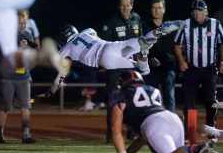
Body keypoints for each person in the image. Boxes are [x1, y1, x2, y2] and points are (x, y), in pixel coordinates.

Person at [39, 21, 184, 99]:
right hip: (111, 46)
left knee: (142, 71)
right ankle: (147, 46)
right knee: (144, 53)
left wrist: (50, 92)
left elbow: (60, 77)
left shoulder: (66, 50)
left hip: (104, 59)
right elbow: (94, 36)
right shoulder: (87, 31)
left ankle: (144, 54)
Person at [105, 70, 221, 153]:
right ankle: (202, 152)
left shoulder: (120, 94)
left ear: (121, 83)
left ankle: (199, 148)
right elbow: (144, 136)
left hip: (154, 123)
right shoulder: (152, 89)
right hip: (172, 118)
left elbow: (116, 130)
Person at [174, 0, 223, 139]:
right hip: (192, 69)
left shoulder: (215, 24)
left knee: (210, 101)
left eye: (200, 11)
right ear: (191, 12)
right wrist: (181, 61)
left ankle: (211, 130)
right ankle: (189, 133)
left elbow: (222, 44)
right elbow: (176, 44)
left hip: (209, 68)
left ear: (206, 12)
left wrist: (222, 61)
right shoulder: (185, 25)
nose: (197, 14)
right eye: (194, 11)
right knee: (188, 102)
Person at [101, 0, 143, 142]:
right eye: (122, 5)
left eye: (128, 5)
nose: (125, 8)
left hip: (132, 67)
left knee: (133, 99)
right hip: (115, 68)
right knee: (113, 100)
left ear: (132, 5)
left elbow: (141, 43)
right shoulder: (111, 23)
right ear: (119, 6)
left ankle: (132, 131)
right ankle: (111, 133)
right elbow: (104, 46)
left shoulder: (137, 19)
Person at [0, 16, 36, 144]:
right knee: (5, 107)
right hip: (8, 77)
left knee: (25, 106)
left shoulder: (28, 34)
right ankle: (0, 135)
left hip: (23, 76)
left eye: (24, 23)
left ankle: (26, 134)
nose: (23, 25)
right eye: (20, 22)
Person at [142, 0, 176, 112]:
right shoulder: (144, 26)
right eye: (154, 8)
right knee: (151, 99)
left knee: (169, 99)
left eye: (159, 8)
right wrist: (150, 58)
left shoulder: (171, 26)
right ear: (150, 10)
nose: (156, 10)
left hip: (168, 68)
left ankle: (172, 126)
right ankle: (151, 125)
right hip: (150, 69)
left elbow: (176, 46)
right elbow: (140, 46)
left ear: (164, 10)